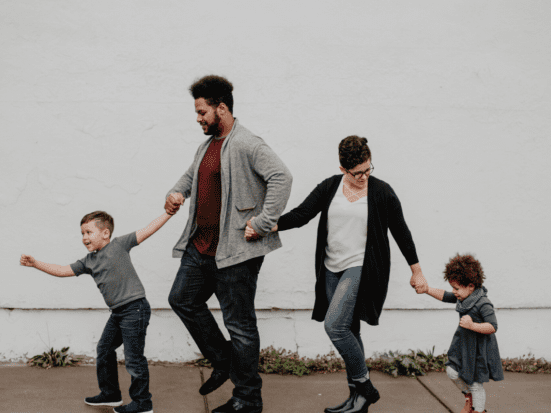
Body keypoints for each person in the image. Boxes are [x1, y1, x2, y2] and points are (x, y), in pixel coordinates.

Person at [246, 136, 428, 413]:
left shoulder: (382, 192)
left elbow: (401, 232)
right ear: (343, 169)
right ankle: (357, 400)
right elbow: (301, 215)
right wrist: (265, 226)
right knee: (350, 330)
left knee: (335, 326)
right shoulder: (330, 186)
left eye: (369, 170)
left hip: (361, 267)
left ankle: (365, 387)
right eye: (358, 173)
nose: (364, 176)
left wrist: (417, 272)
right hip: (331, 268)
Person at [165, 75, 292, 413]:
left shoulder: (247, 143)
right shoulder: (207, 145)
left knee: (240, 326)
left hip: (235, 253)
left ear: (221, 109)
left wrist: (263, 224)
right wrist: (176, 193)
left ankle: (248, 398)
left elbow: (282, 177)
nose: (198, 118)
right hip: (201, 246)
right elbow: (192, 175)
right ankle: (224, 361)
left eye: (202, 111)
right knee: (181, 299)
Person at [20, 210, 176, 413]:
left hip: (135, 309)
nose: (84, 237)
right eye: (82, 233)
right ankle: (111, 394)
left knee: (133, 359)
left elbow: (148, 229)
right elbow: (62, 270)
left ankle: (142, 403)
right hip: (118, 313)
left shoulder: (120, 244)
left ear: (105, 233)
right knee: (104, 349)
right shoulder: (88, 261)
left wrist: (169, 213)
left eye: (89, 232)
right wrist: (35, 264)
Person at [417, 253, 504, 413]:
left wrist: (472, 325)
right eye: (453, 287)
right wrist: (427, 289)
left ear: (471, 285)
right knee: (451, 371)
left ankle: (478, 410)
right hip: (463, 346)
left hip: (478, 350)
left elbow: (492, 326)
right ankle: (468, 397)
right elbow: (445, 296)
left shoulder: (483, 303)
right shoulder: (464, 297)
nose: (454, 291)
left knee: (476, 384)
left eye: (456, 288)